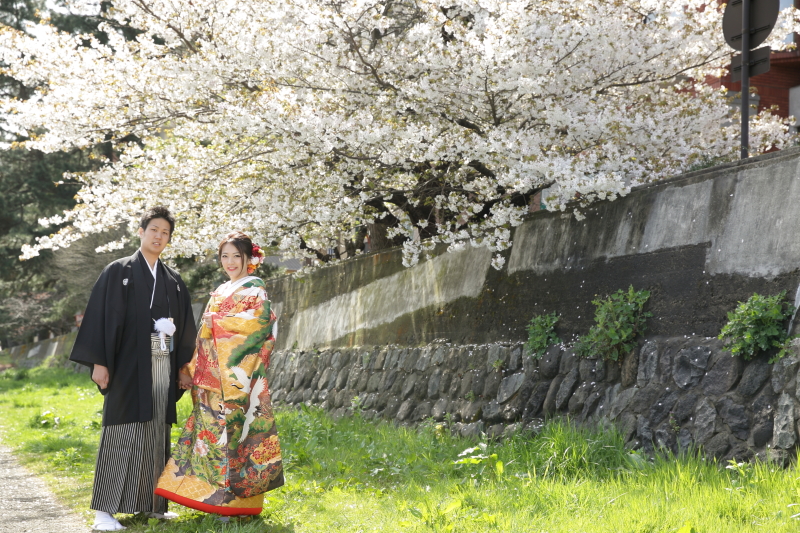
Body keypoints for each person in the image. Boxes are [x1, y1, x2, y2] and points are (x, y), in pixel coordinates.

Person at [70, 206, 197, 531]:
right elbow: (102, 316)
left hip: (161, 361)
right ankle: (103, 511)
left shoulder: (173, 280)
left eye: (165, 232)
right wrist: (99, 361)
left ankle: (152, 505)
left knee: (157, 431)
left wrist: (184, 366)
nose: (159, 236)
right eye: (154, 229)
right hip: (126, 363)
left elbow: (185, 328)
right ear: (141, 232)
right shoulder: (119, 271)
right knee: (120, 431)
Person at [155, 231, 284, 516]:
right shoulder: (221, 290)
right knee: (211, 438)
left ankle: (238, 506)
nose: (230, 262)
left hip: (237, 376)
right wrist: (189, 367)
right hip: (211, 377)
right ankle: (208, 499)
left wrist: (218, 322)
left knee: (237, 437)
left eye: (236, 256)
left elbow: (259, 328)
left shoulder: (255, 289)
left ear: (248, 258)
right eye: (224, 256)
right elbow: (203, 336)